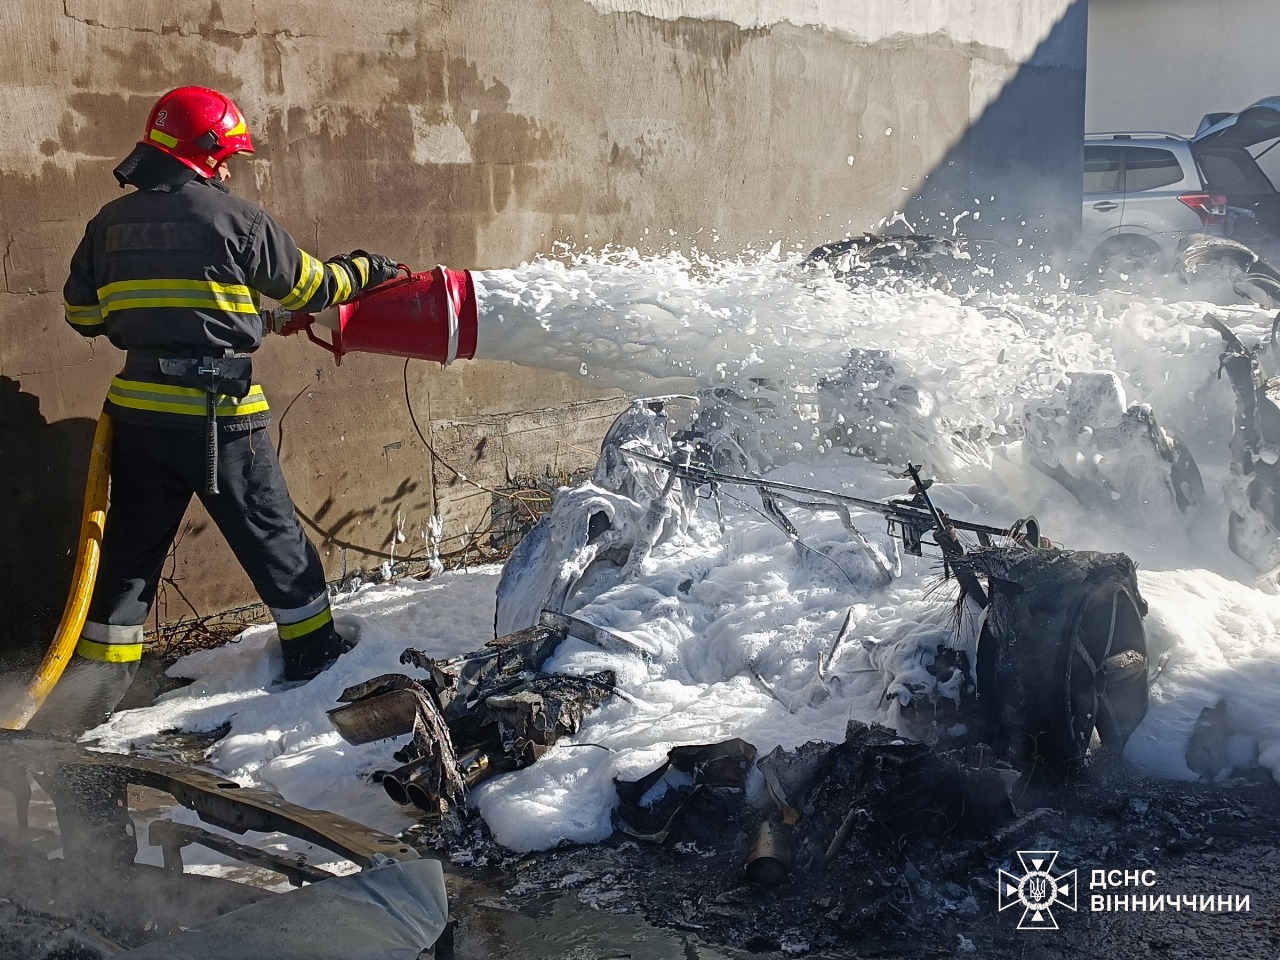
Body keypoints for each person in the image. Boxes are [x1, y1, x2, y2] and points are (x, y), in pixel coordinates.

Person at [35, 85, 400, 733]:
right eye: (226, 154)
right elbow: (314, 288)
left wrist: (234, 319)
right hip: (221, 415)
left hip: (139, 416)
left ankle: (93, 693)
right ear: (203, 152)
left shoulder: (107, 225)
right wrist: (365, 268)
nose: (229, 169)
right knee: (273, 539)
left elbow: (84, 314)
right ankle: (314, 652)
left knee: (130, 555)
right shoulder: (239, 221)